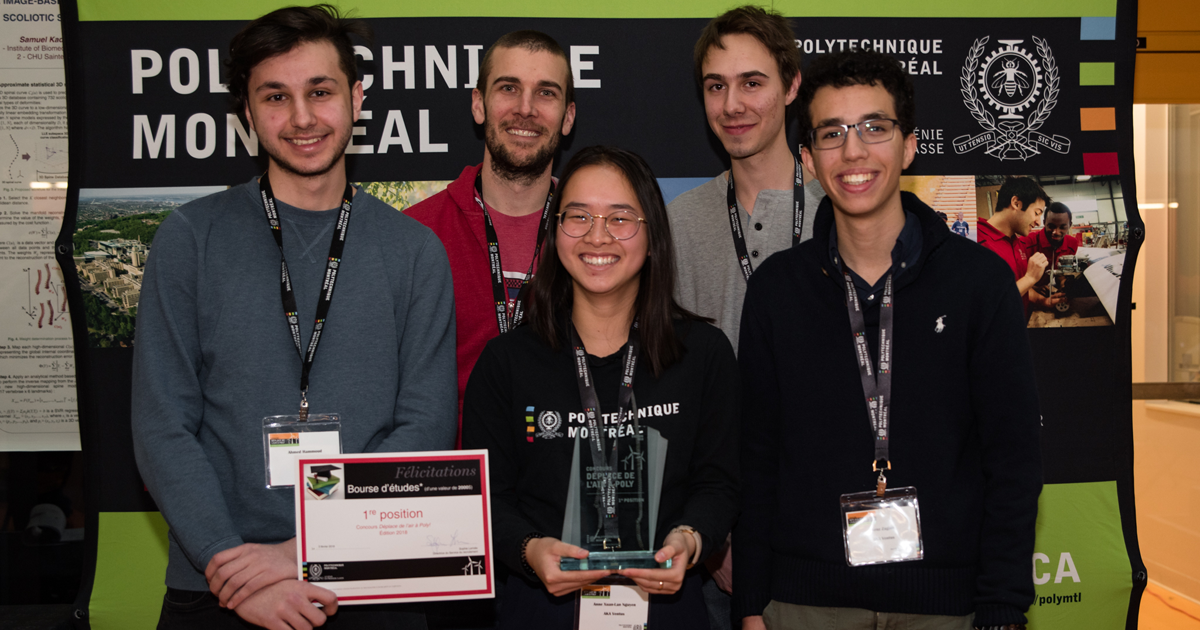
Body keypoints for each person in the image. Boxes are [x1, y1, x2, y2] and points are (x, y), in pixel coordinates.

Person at [131, 6, 457, 629]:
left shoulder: (414, 252)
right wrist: (231, 565)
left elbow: (425, 429)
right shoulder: (190, 239)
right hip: (220, 583)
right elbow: (162, 426)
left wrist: (303, 553)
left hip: (371, 579)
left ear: (357, 98)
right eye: (275, 96)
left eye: (321, 91)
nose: (302, 118)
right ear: (247, 113)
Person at [736, 50, 1041, 630]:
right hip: (805, 604)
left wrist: (1002, 607)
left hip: (947, 609)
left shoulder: (980, 284)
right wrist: (751, 603)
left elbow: (1014, 459)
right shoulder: (777, 290)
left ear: (908, 146)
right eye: (832, 133)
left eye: (874, 128)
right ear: (808, 159)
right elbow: (757, 458)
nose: (854, 151)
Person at [462, 146, 740, 630]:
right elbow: (489, 500)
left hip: (669, 611)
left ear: (652, 235)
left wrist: (691, 540)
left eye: (620, 218)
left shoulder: (704, 355)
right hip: (542, 609)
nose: (597, 235)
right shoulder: (506, 363)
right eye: (579, 216)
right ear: (556, 231)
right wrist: (530, 550)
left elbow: (719, 483)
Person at [407, 30, 576, 441]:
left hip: (564, 487)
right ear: (478, 104)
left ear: (568, 117)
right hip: (449, 489)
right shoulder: (415, 235)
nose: (525, 109)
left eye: (546, 93)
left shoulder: (594, 237)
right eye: (508, 88)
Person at [667, 5, 825, 350]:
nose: (732, 105)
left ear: (791, 85)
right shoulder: (678, 222)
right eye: (716, 86)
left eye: (751, 83)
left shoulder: (836, 209)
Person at [977, 176, 1051, 303]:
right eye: (1037, 213)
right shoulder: (977, 242)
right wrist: (1030, 278)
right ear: (1016, 203)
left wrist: (1042, 300)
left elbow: (1018, 287)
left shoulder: (1016, 242)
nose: (1039, 222)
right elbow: (988, 302)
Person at [1022, 201, 1080, 309]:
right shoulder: (1026, 243)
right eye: (1051, 226)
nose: (1056, 232)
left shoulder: (1072, 244)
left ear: (1070, 225)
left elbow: (1060, 274)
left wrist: (1063, 284)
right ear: (1044, 222)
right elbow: (1016, 282)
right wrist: (1034, 287)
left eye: (1062, 227)